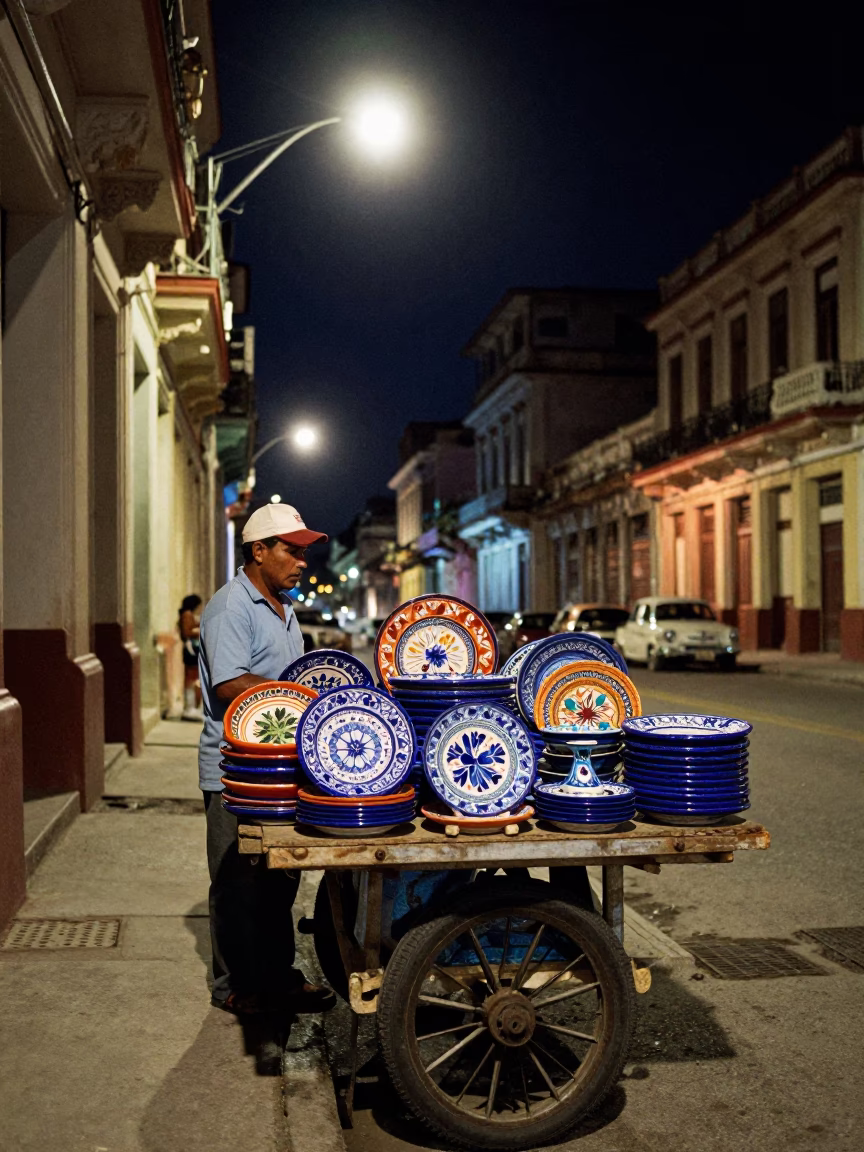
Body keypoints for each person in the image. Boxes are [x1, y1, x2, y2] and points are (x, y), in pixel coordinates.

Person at [197, 502, 336, 1015]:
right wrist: (300, 700)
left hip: (280, 770)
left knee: (279, 879)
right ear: (260, 550)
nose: (303, 563)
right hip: (234, 772)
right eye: (293, 551)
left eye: (304, 553)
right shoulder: (231, 607)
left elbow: (295, 675)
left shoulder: (284, 607)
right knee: (236, 881)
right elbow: (231, 683)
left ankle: (278, 977)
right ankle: (235, 985)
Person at [179, 594, 203, 720]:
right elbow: (187, 631)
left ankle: (192, 706)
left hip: (193, 648)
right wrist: (199, 631)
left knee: (193, 677)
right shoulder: (187, 615)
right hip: (191, 649)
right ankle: (190, 707)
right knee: (192, 677)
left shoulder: (189, 615)